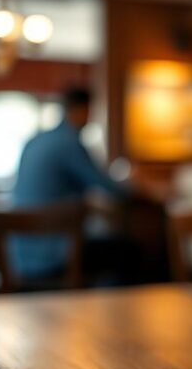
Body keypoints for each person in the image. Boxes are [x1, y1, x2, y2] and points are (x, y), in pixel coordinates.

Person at [10, 87, 128, 281]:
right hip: (53, 255)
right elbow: (107, 186)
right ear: (81, 110)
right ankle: (106, 309)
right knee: (128, 251)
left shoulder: (35, 140)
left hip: (19, 257)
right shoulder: (69, 143)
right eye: (89, 111)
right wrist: (140, 188)